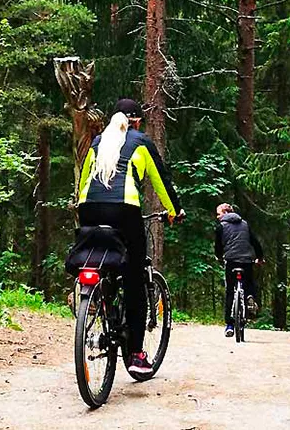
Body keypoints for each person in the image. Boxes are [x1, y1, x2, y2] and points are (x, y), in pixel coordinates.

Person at [77, 98, 185, 376]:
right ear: (136, 121)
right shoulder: (140, 142)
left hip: (88, 207)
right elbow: (160, 180)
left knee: (99, 257)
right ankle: (136, 352)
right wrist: (175, 211)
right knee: (135, 275)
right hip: (124, 210)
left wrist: (84, 210)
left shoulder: (98, 141)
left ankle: (95, 298)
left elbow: (84, 180)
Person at [214, 203, 262, 338]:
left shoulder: (221, 227)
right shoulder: (245, 224)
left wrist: (218, 257)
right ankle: (249, 297)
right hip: (246, 261)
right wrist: (260, 257)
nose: (217, 217)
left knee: (230, 291)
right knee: (248, 284)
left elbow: (218, 246)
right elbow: (255, 241)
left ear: (225, 213)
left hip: (231, 261)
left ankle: (229, 325)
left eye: (219, 214)